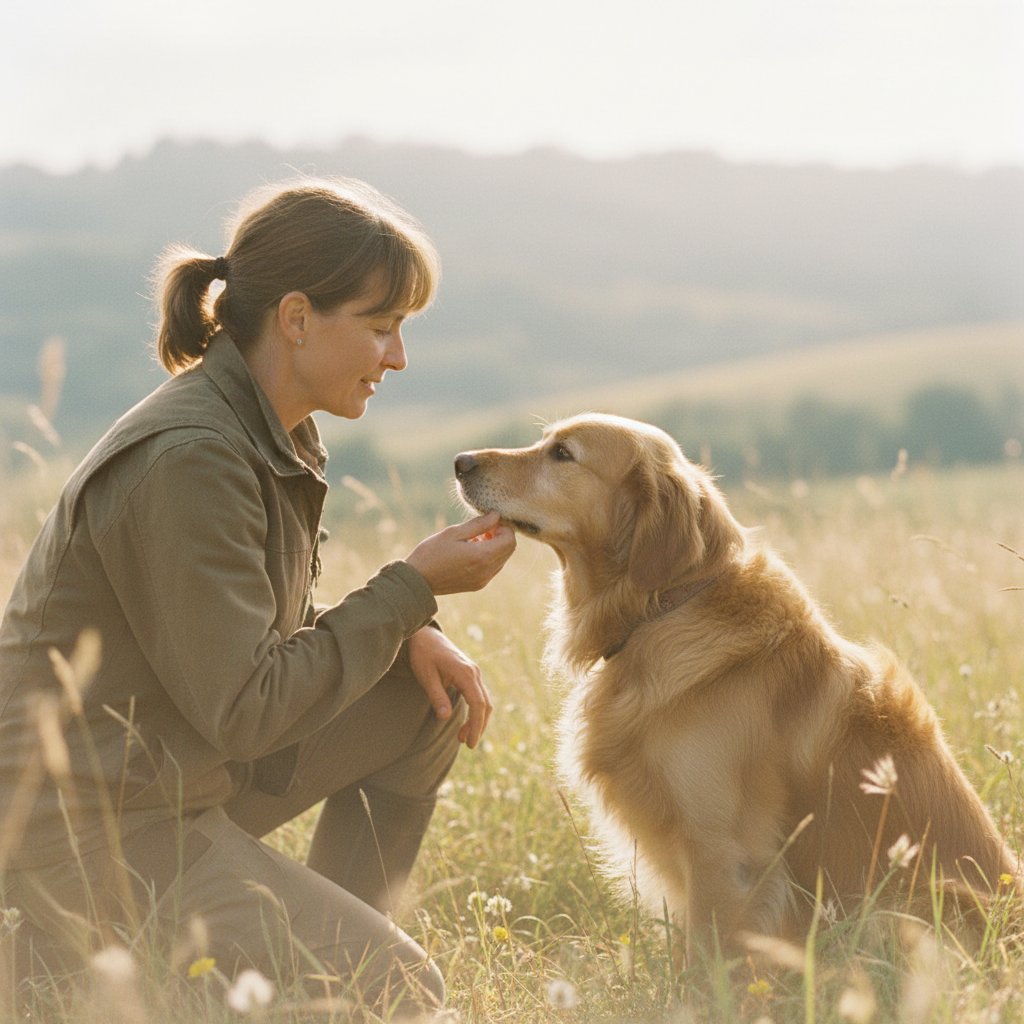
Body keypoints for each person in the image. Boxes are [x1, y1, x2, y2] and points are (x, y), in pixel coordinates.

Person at [0, 177, 516, 1017]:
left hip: (173, 772)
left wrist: (405, 628)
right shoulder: (192, 457)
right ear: (298, 318)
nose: (397, 358)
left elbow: (222, 630)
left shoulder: (266, 427)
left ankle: (303, 969)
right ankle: (61, 956)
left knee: (424, 701)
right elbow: (247, 709)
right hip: (82, 829)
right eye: (381, 327)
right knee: (400, 989)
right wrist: (406, 593)